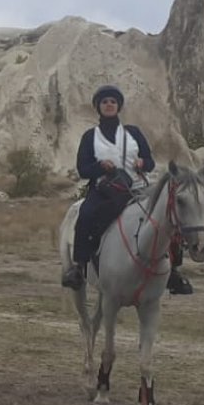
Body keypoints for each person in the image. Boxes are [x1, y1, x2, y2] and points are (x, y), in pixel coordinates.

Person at [62, 85, 191, 295]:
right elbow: (83, 169)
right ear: (98, 107)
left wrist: (142, 163)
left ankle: (173, 271)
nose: (109, 104)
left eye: (113, 101)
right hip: (105, 188)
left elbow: (149, 161)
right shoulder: (89, 136)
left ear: (118, 106)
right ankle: (78, 267)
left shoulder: (133, 133)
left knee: (168, 216)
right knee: (85, 215)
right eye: (105, 102)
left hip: (137, 187)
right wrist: (99, 167)